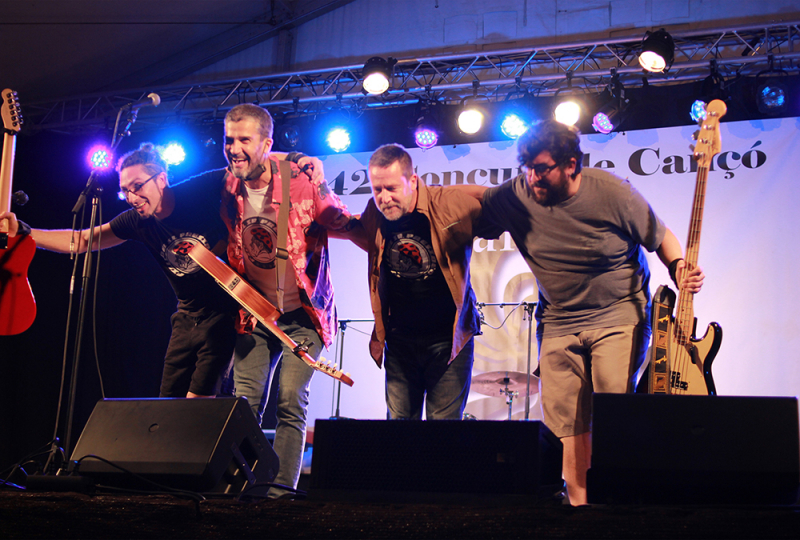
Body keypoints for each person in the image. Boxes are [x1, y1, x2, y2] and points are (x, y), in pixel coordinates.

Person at [477, 120, 704, 506]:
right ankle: (580, 510)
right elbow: (473, 201)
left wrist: (678, 266)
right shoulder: (517, 194)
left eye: (541, 168)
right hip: (559, 320)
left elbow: (661, 236)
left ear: (571, 164)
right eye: (526, 167)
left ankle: (617, 502)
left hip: (617, 314)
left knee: (612, 412)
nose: (532, 177)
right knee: (566, 423)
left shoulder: (612, 193)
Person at [0, 143, 238, 398]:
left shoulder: (196, 191)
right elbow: (81, 240)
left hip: (225, 313)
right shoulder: (136, 222)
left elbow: (240, 169)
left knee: (198, 404)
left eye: (138, 186)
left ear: (161, 180)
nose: (132, 197)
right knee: (168, 407)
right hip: (187, 318)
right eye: (125, 191)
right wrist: (23, 231)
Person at [219, 103, 354, 499]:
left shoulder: (298, 179)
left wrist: (319, 176)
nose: (234, 148)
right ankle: (240, 491)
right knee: (244, 403)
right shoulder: (228, 184)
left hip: (304, 316)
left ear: (267, 143)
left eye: (245, 140)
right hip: (256, 312)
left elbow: (337, 217)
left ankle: (279, 496)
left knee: (291, 400)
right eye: (229, 139)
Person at [351, 143, 482, 420]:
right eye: (377, 189)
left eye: (391, 188)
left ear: (412, 181)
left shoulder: (447, 203)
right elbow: (348, 227)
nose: (384, 198)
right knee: (399, 434)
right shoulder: (374, 212)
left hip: (448, 341)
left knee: (442, 434)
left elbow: (495, 202)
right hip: (400, 341)